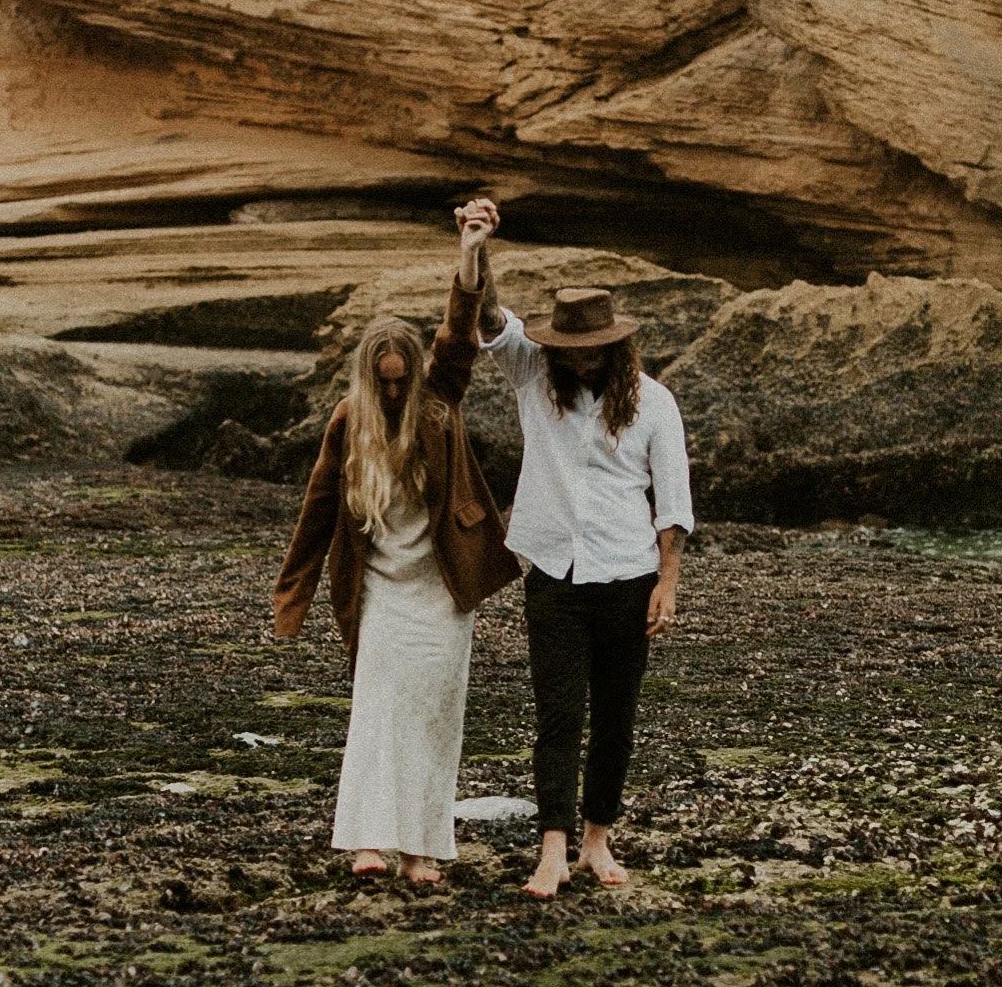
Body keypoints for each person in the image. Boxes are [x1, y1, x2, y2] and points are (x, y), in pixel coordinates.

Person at [273, 202, 518, 884]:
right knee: (378, 711)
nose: (390, 390)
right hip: (379, 588)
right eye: (380, 381)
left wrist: (469, 252)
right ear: (365, 376)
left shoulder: (439, 400)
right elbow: (318, 510)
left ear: (413, 373)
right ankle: (367, 843)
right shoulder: (348, 419)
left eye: (398, 380)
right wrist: (292, 597)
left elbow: (459, 332)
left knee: (434, 716)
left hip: (442, 588)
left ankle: (419, 849)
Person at [476, 218, 694, 899]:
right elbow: (487, 317)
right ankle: (552, 849)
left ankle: (597, 838)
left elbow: (673, 501)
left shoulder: (654, 403)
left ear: (615, 346)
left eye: (590, 353)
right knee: (558, 714)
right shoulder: (532, 376)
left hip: (629, 576)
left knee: (615, 718)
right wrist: (474, 248)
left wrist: (667, 583)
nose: (578, 363)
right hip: (553, 575)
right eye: (568, 352)